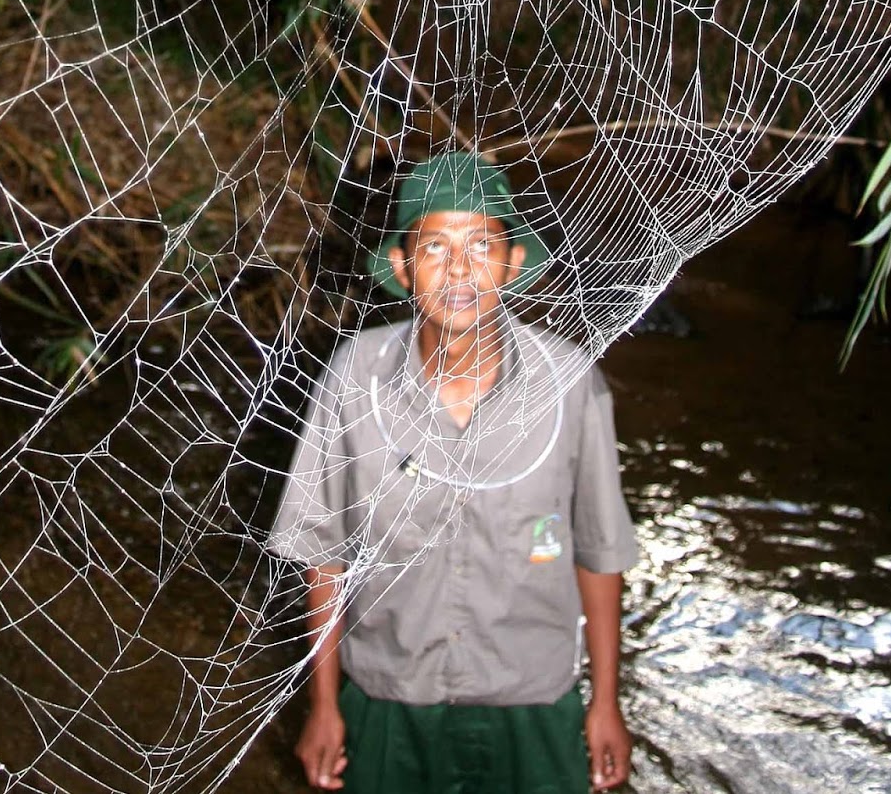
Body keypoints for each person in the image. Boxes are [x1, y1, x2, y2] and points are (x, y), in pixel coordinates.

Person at [270, 152, 638, 793]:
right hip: (387, 701)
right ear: (402, 267)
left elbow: (600, 551)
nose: (461, 268)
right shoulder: (354, 378)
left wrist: (605, 703)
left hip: (533, 705)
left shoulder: (571, 384)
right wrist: (324, 705)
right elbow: (321, 551)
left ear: (513, 262)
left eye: (482, 245)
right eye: (435, 246)